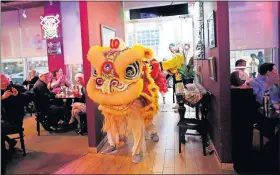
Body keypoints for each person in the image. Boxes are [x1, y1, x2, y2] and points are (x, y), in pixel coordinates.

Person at [1, 74, 29, 151]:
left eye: (5, 80)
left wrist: (17, 95)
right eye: (1, 81)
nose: (3, 83)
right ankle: (9, 142)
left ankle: (4, 154)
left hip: (14, 121)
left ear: (8, 79)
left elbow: (29, 96)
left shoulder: (17, 87)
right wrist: (2, 98)